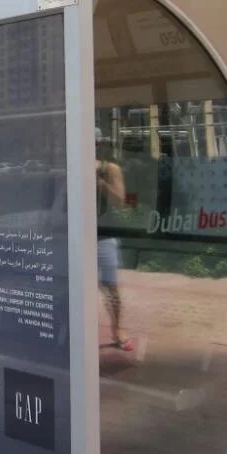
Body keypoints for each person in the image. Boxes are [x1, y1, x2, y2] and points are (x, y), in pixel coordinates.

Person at [96, 128, 134, 352]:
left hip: (104, 235)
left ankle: (117, 329)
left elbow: (120, 201)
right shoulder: (71, 168)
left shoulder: (110, 169)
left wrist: (100, 182)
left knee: (111, 286)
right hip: (75, 234)